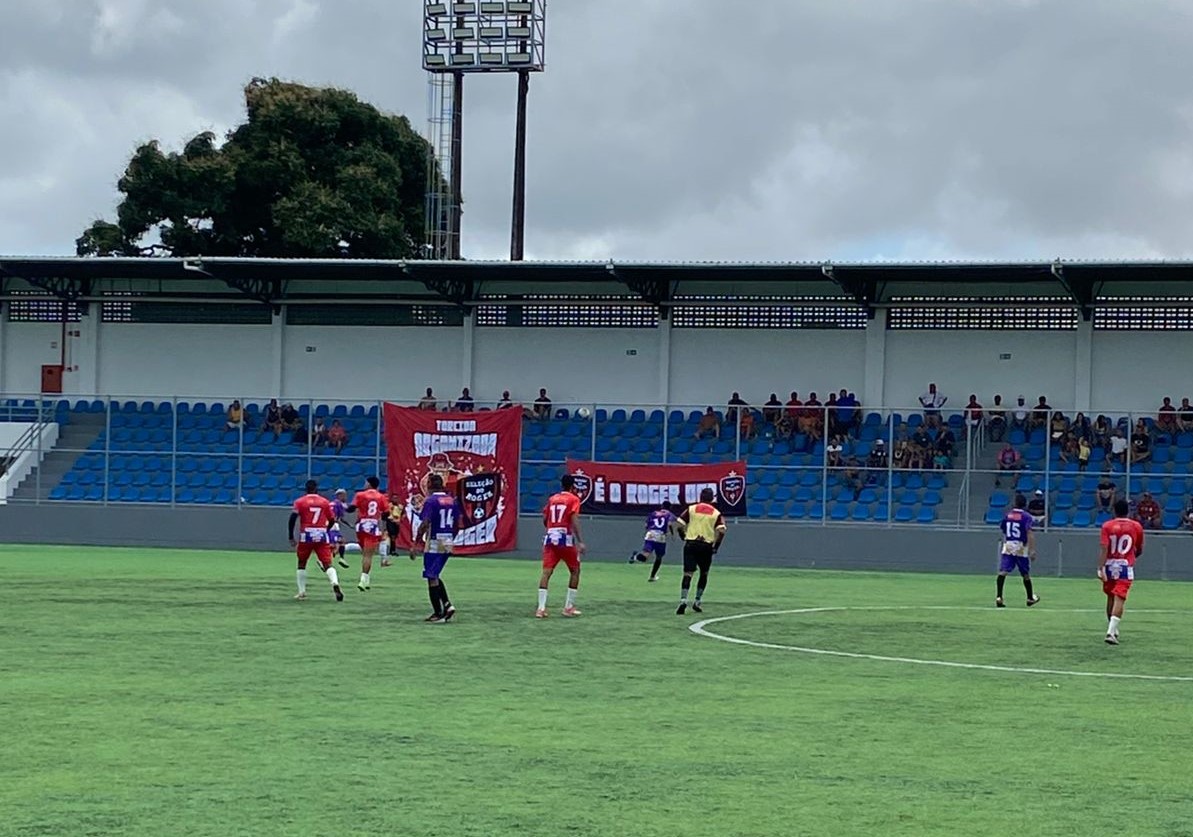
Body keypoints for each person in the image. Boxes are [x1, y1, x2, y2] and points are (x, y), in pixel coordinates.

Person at [412, 474, 461, 623]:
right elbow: (457, 524)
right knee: (435, 574)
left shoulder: (431, 501)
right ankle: (447, 605)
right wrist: (450, 538)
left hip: (435, 540)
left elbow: (425, 522)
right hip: (447, 540)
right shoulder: (451, 500)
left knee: (431, 576)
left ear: (430, 485)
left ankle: (438, 613)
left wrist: (416, 543)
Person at [537, 474, 586, 618]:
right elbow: (573, 519)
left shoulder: (553, 499)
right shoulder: (573, 499)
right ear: (573, 486)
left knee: (546, 572)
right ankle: (568, 607)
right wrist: (580, 541)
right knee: (575, 570)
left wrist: (551, 527)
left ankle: (541, 608)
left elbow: (545, 518)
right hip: (565, 538)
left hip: (550, 538)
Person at [288, 480, 344, 602]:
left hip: (306, 535)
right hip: (321, 534)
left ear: (306, 489)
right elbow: (332, 519)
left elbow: (292, 518)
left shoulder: (300, 502)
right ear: (316, 489)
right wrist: (326, 530)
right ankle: (334, 583)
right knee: (327, 564)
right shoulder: (324, 502)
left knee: (302, 563)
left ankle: (302, 592)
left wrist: (291, 536)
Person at [673, 487, 727, 615]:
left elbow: (679, 524)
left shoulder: (691, 509)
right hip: (706, 545)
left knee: (688, 573)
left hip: (691, 543)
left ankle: (683, 600)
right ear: (712, 498)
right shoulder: (716, 513)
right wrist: (716, 546)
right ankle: (697, 601)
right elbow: (722, 530)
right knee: (704, 573)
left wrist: (683, 535)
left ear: (700, 497)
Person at [1098, 499, 1143, 645]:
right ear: (1127, 511)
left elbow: (1104, 548)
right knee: (1120, 598)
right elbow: (1139, 548)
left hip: (1109, 565)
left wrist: (1101, 567)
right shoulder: (1136, 526)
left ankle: (1113, 629)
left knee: (1110, 597)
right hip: (1124, 565)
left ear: (1114, 511)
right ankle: (1111, 632)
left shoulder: (1107, 526)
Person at [996, 493, 1039, 608]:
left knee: (1003, 571)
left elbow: (1004, 529)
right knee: (1025, 574)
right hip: (1020, 546)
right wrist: (1032, 550)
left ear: (1015, 503)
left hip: (1009, 544)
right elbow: (1029, 533)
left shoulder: (1008, 515)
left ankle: (999, 597)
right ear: (1024, 504)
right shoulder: (1026, 516)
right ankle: (1030, 598)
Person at [350, 477, 391, 591]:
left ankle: (366, 581)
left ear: (369, 484)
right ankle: (363, 579)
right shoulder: (381, 497)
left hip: (361, 526)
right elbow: (386, 513)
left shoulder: (360, 495)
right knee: (368, 556)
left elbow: (351, 508)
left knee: (364, 554)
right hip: (373, 526)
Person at [628, 501, 676, 582]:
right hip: (661, 536)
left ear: (662, 506)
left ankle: (635, 558)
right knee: (659, 557)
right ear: (670, 508)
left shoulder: (653, 513)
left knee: (646, 555)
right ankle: (652, 576)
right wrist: (672, 534)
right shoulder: (670, 514)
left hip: (651, 534)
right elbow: (670, 524)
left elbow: (646, 525)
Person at [328, 489, 351, 568]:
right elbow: (341, 518)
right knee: (335, 544)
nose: (345, 497)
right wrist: (349, 524)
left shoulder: (331, 503)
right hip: (333, 525)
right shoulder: (339, 504)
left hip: (328, 524)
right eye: (344, 495)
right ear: (339, 495)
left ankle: (340, 558)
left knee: (339, 542)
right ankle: (324, 561)